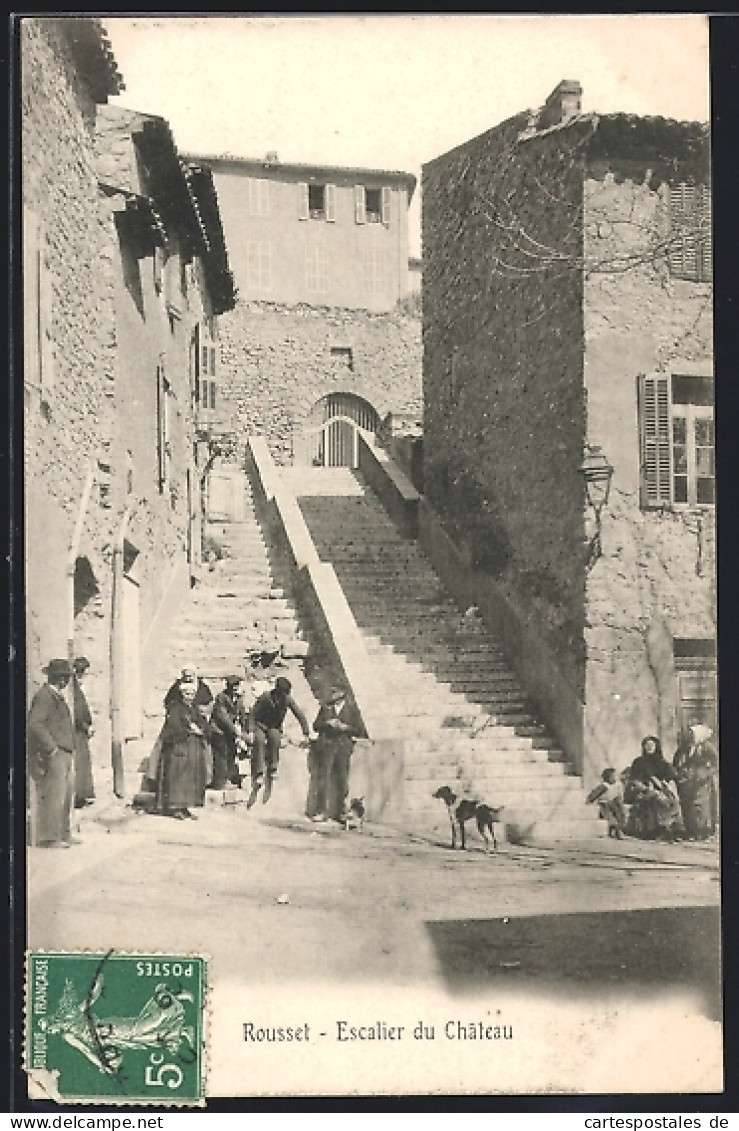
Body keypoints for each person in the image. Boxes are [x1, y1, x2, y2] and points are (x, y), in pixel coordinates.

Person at [27, 658, 79, 848]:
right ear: (61, 679)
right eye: (66, 678)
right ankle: (49, 837)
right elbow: (35, 724)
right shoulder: (45, 697)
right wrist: (51, 748)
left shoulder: (56, 696)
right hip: (55, 754)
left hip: (65, 752)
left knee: (65, 795)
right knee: (54, 796)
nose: (67, 682)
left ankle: (64, 834)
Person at [246, 676, 310, 807]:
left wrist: (306, 732)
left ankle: (273, 768)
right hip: (260, 725)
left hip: (274, 727)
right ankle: (259, 773)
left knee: (275, 738)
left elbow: (299, 714)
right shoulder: (265, 697)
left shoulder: (287, 699)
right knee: (259, 740)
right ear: (276, 691)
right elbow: (252, 714)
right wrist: (251, 730)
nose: (284, 696)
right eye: (282, 693)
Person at [155, 670, 211, 820]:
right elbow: (172, 728)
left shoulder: (194, 708)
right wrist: (189, 730)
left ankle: (185, 806)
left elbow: (203, 724)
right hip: (178, 750)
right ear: (182, 694)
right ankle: (175, 807)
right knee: (178, 778)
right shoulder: (175, 708)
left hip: (192, 750)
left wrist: (201, 729)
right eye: (187, 694)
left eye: (192, 694)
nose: (189, 697)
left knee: (190, 779)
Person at [309, 686, 365, 824]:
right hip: (327, 747)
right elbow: (315, 726)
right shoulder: (326, 708)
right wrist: (327, 723)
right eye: (332, 692)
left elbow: (359, 730)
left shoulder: (352, 710)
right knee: (324, 778)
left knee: (342, 780)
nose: (332, 695)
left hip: (343, 747)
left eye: (335, 692)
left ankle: (341, 812)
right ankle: (322, 812)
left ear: (343, 694)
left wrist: (345, 727)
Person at [624, 735, 684, 841]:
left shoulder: (662, 762)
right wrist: (646, 788)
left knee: (671, 800)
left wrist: (668, 785)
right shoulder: (638, 762)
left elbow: (671, 777)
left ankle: (673, 829)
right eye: (647, 745)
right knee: (655, 798)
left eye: (652, 745)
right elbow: (633, 780)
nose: (649, 747)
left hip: (660, 789)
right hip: (642, 790)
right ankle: (659, 829)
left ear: (657, 746)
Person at [674, 724, 718, 840]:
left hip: (702, 780)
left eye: (692, 735)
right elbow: (676, 760)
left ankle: (703, 831)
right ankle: (691, 830)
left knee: (701, 806)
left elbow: (716, 763)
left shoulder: (706, 747)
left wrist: (707, 773)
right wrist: (678, 773)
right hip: (687, 780)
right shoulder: (684, 747)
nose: (690, 738)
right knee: (687, 804)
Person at [210, 675, 249, 790]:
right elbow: (223, 718)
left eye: (237, 685)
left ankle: (228, 779)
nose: (235, 688)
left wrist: (245, 730)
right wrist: (236, 731)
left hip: (230, 732)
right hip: (219, 731)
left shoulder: (238, 698)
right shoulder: (221, 698)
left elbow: (242, 714)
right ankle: (219, 783)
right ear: (228, 687)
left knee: (231, 754)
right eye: (233, 686)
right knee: (221, 756)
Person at [72, 656, 95, 808]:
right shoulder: (74, 691)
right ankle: (79, 795)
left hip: (80, 732)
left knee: (83, 763)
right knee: (80, 764)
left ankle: (82, 795)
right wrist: (86, 726)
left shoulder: (77, 689)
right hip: (77, 733)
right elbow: (78, 712)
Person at [586, 767, 626, 839]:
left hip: (613, 802)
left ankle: (617, 829)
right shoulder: (604, 786)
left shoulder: (617, 785)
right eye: (613, 776)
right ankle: (616, 831)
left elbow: (618, 795)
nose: (615, 778)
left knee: (620, 813)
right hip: (604, 803)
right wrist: (590, 799)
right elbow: (595, 793)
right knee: (610, 816)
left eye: (615, 776)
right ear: (608, 777)